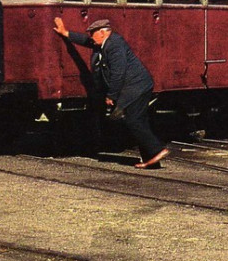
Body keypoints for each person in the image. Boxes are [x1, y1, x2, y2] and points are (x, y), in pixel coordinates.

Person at [53, 17, 170, 168]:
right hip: (135, 87)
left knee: (133, 120)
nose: (90, 38)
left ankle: (158, 150)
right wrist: (65, 33)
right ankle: (153, 161)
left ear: (102, 33)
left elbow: (118, 73)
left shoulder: (115, 45)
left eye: (92, 34)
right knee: (139, 120)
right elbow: (85, 41)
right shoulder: (103, 43)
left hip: (137, 86)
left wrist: (111, 96)